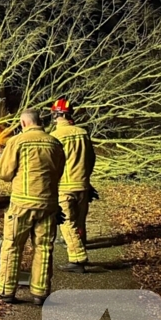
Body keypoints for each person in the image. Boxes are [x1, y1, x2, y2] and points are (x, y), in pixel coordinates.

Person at [0, 108, 65, 305]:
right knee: (44, 247)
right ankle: (40, 292)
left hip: (21, 204)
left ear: (24, 123)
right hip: (48, 204)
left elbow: (4, 173)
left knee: (12, 245)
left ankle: (7, 291)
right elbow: (59, 172)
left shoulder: (17, 142)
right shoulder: (55, 143)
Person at [49, 98, 96, 274]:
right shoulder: (83, 133)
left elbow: (53, 164)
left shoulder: (55, 137)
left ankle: (77, 259)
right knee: (80, 221)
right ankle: (80, 247)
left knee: (67, 223)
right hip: (83, 185)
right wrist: (86, 177)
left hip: (65, 186)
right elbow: (91, 158)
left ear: (55, 115)